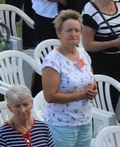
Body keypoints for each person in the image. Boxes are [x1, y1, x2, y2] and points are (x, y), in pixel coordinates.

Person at [41, 10, 97, 147]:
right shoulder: (52, 61)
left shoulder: (83, 54)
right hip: (63, 125)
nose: (74, 34)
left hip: (85, 121)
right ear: (58, 33)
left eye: (77, 30)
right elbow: (50, 96)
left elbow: (91, 79)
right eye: (69, 30)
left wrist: (93, 89)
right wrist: (81, 95)